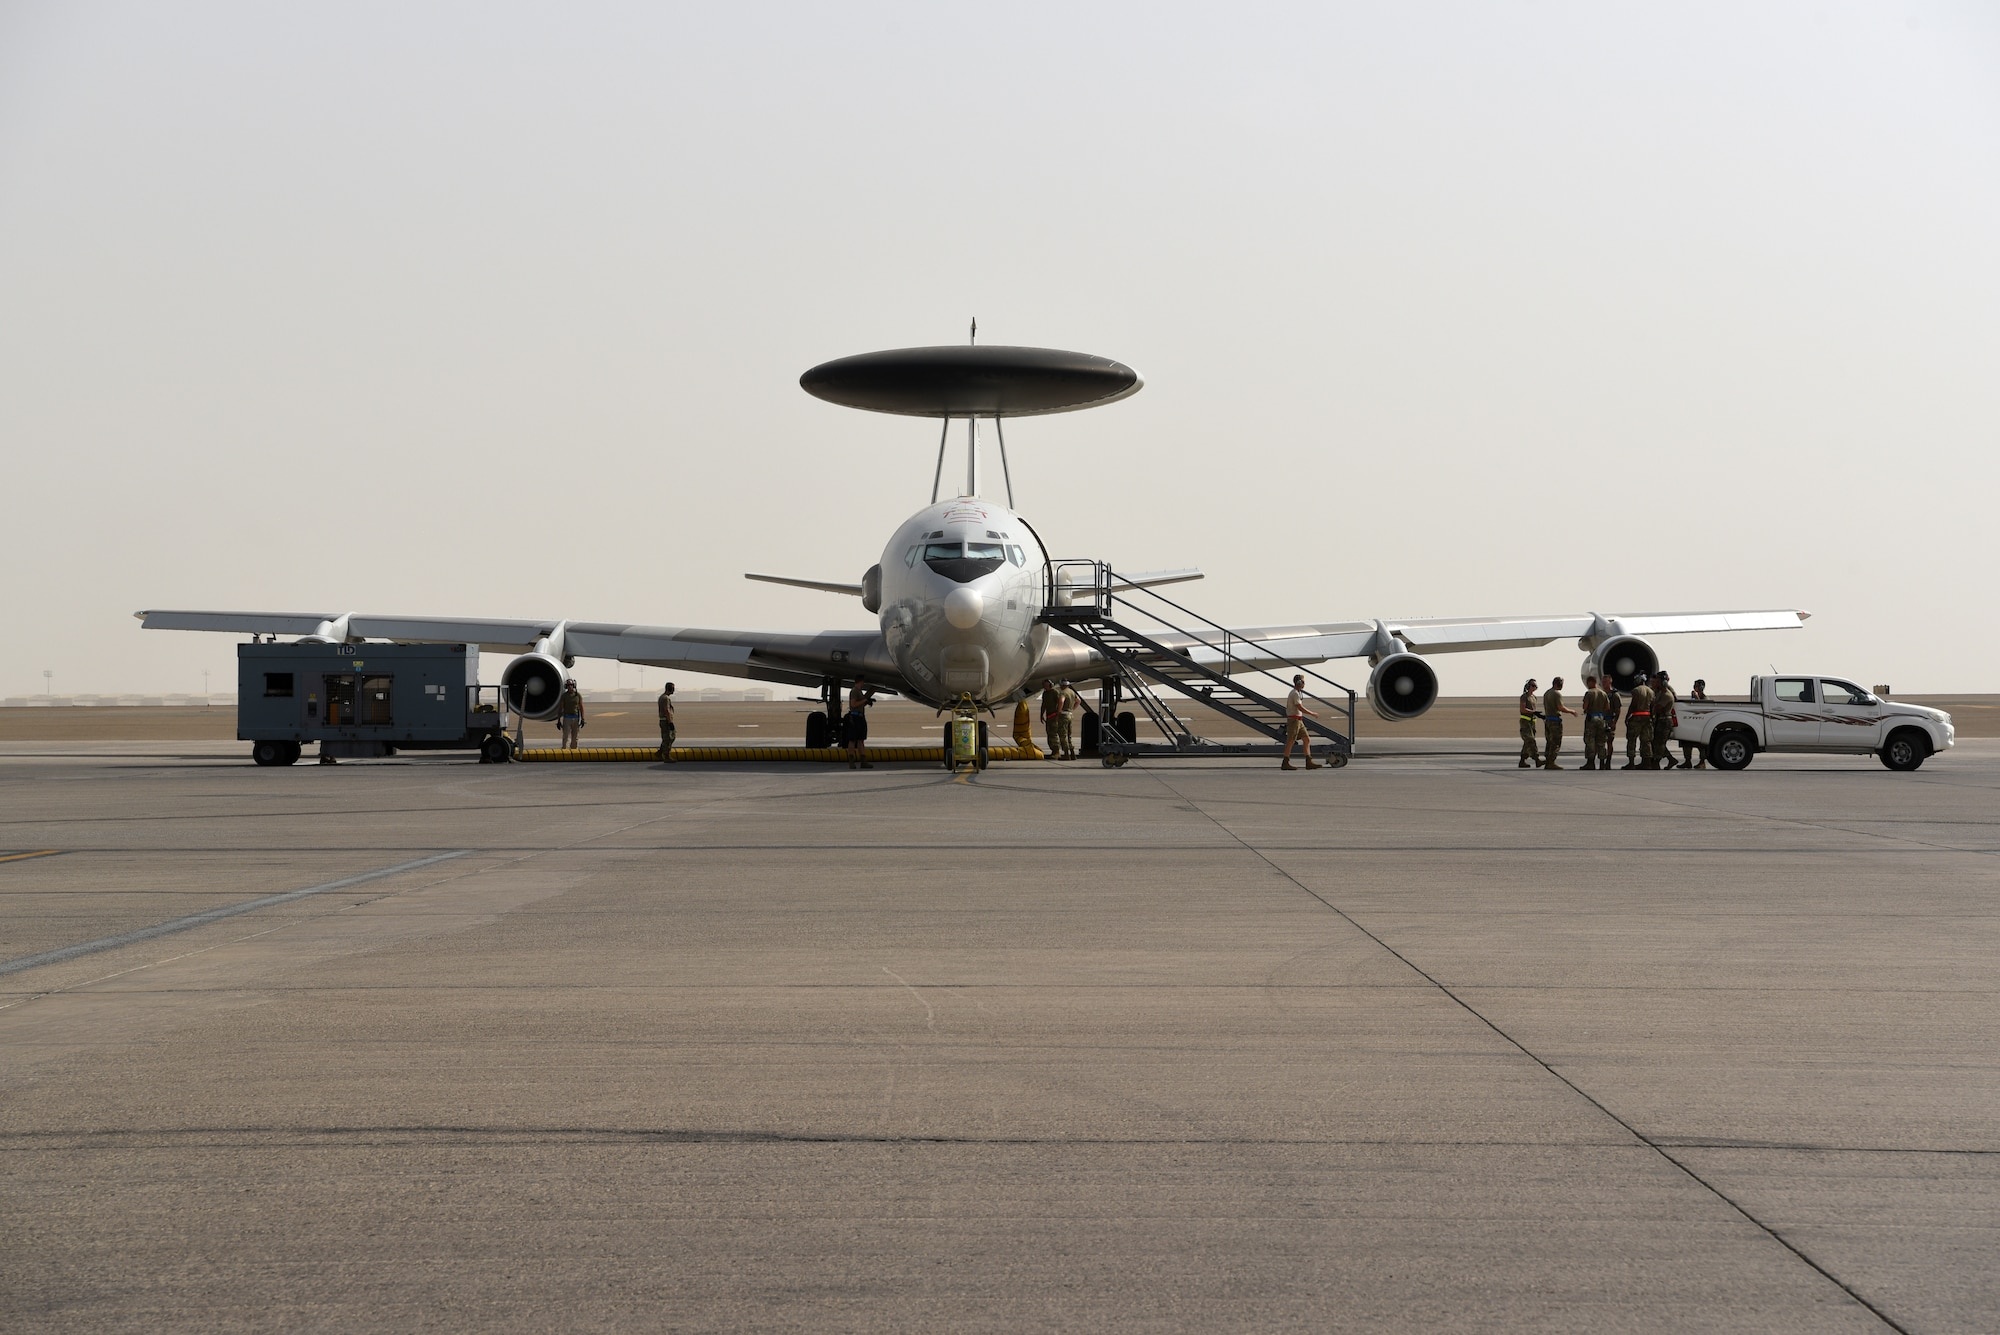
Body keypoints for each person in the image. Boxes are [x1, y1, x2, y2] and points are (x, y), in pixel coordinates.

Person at [1282, 673, 1321, 770]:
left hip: (1299, 720)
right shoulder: (1295, 693)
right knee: (1291, 741)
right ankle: (1285, 762)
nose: (1304, 684)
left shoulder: (1298, 693)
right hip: (1294, 720)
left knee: (1306, 739)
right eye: (1303, 681)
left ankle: (1309, 761)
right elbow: (1300, 707)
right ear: (1299, 682)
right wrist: (1312, 713)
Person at [1541, 675, 1578, 769]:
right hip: (1555, 721)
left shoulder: (1547, 693)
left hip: (1548, 720)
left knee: (1549, 741)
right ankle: (1551, 762)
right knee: (1556, 742)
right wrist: (1571, 711)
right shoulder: (1556, 694)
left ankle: (1548, 761)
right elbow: (1560, 707)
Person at [844, 675, 876, 769]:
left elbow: (859, 703)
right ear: (860, 681)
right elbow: (853, 704)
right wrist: (865, 700)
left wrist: (866, 701)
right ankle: (851, 762)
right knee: (853, 740)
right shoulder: (854, 691)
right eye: (863, 682)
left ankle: (863, 762)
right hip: (855, 717)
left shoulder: (859, 691)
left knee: (861, 740)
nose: (864, 683)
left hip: (860, 717)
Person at [1623, 673, 1654, 769]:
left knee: (1632, 740)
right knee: (1646, 741)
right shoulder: (1651, 691)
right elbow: (1652, 706)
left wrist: (1628, 716)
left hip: (1637, 717)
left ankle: (1631, 763)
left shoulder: (1636, 690)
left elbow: (1633, 705)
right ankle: (1647, 762)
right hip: (1647, 717)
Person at [1580, 674, 1610, 771]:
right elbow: (1607, 707)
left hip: (1591, 719)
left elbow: (1585, 706)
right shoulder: (1603, 693)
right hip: (1601, 719)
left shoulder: (1589, 693)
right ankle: (1602, 763)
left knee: (1590, 740)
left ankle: (1590, 762)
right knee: (1601, 741)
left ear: (1590, 682)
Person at [1650, 669, 1679, 770]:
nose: (1656, 683)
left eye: (1658, 681)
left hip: (1665, 721)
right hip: (1660, 720)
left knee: (1660, 743)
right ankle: (1670, 759)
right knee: (1656, 741)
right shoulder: (1659, 693)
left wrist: (1653, 706)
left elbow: (1657, 708)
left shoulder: (1667, 695)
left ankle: (1657, 762)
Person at [1682, 679, 1710, 769]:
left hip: (1701, 727)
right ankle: (1687, 761)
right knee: (1686, 743)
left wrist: (1697, 698)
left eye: (1697, 686)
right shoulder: (1693, 697)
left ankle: (1702, 762)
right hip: (1694, 725)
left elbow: (1702, 709)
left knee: (1702, 746)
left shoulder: (1705, 699)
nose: (1695, 688)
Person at [1599, 678, 1623, 772]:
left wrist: (1614, 722)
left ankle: (1608, 761)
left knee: (1609, 742)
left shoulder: (1615, 695)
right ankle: (1601, 761)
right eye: (1603, 682)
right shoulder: (1601, 694)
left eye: (1606, 682)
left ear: (1610, 682)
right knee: (1600, 742)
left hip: (1610, 720)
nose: (1604, 683)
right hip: (1601, 720)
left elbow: (1618, 710)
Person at [1054, 680, 1082, 760]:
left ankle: (1066, 754)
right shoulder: (1072, 692)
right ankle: (1072, 754)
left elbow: (1061, 701)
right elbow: (1078, 701)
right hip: (1070, 714)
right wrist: (1072, 709)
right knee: (1069, 735)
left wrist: (1059, 711)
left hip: (1063, 715)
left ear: (1061, 685)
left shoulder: (1063, 692)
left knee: (1063, 735)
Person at [1517, 679, 1540, 769]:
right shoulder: (1524, 697)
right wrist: (1533, 712)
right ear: (1528, 686)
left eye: (1536, 686)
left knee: (1527, 743)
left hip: (1532, 722)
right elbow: (1522, 709)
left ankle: (1522, 761)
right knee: (1530, 741)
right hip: (1525, 722)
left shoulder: (1534, 697)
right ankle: (1537, 759)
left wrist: (1537, 715)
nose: (1535, 687)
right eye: (1533, 686)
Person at [558, 678, 585, 749]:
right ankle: (564, 750)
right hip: (567, 718)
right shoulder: (564, 696)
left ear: (574, 686)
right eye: (568, 685)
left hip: (576, 718)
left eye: (571, 685)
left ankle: (574, 751)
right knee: (565, 736)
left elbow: (581, 707)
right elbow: (561, 708)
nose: (570, 686)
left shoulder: (578, 695)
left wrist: (582, 719)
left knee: (575, 737)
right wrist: (558, 720)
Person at [1040, 681, 1063, 760]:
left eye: (1046, 685)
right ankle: (1053, 751)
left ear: (1050, 685)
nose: (1044, 687)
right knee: (1049, 733)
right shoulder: (1045, 693)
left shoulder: (1055, 692)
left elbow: (1060, 703)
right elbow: (1044, 704)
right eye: (1043, 685)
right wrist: (1041, 714)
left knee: (1053, 733)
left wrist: (1058, 714)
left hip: (1054, 715)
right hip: (1049, 716)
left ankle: (1057, 751)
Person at [656, 681, 676, 762]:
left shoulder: (662, 697)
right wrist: (670, 722)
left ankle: (660, 753)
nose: (673, 690)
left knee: (666, 738)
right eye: (673, 688)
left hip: (664, 720)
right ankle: (666, 756)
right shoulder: (665, 698)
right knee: (669, 738)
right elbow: (666, 710)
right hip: (666, 721)